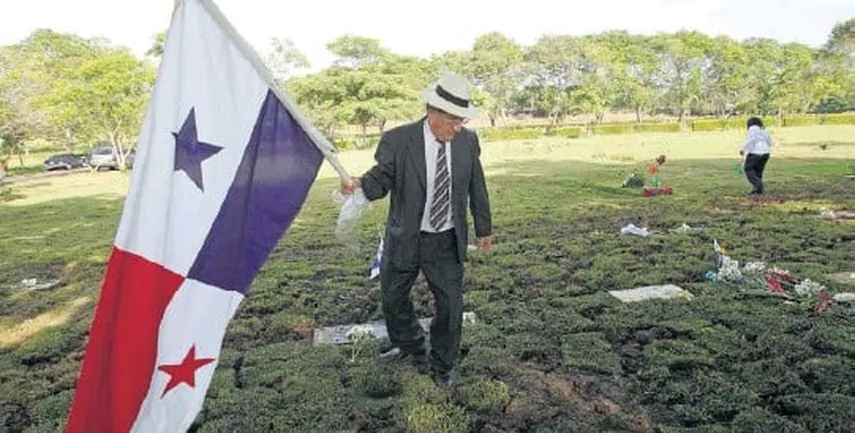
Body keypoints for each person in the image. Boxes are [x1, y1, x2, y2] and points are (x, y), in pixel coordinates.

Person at [340, 72, 493, 388]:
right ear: (432, 112)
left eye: (461, 121)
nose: (457, 127)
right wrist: (358, 186)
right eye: (453, 120)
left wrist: (483, 227)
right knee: (393, 299)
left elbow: (476, 185)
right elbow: (381, 178)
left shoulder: (467, 141)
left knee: (451, 306)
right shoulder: (398, 141)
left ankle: (443, 364)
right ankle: (410, 344)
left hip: (446, 239)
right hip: (405, 237)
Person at [739, 116, 773, 194]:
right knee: (758, 171)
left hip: (755, 152)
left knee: (748, 169)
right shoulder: (764, 130)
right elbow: (770, 142)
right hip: (766, 153)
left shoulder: (752, 129)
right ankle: (758, 190)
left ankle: (758, 185)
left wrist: (743, 149)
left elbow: (751, 140)